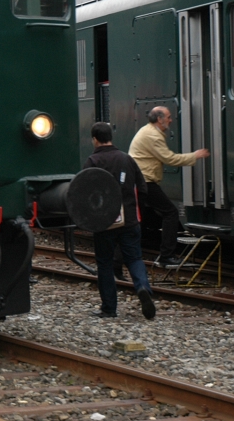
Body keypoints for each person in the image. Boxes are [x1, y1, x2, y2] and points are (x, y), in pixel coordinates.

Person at [85, 122, 157, 320]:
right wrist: (133, 210)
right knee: (134, 258)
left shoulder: (92, 161)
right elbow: (142, 188)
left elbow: (84, 191)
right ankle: (142, 287)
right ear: (111, 137)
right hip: (130, 219)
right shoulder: (127, 159)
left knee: (105, 263)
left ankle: (109, 308)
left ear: (95, 139)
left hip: (104, 221)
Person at [128, 107, 210, 267]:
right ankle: (167, 255)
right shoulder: (153, 135)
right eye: (169, 117)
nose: (171, 120)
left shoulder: (149, 131)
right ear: (160, 119)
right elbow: (170, 159)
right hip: (144, 181)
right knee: (170, 213)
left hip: (141, 180)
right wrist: (195, 155)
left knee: (137, 221)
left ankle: (122, 259)